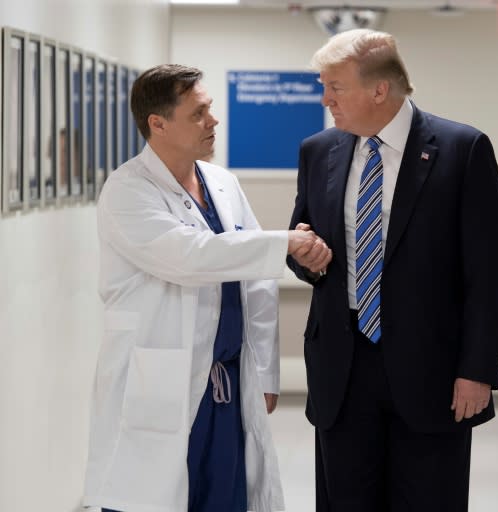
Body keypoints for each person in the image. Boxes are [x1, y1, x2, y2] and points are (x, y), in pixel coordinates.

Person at [82, 64, 330, 512]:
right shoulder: (128, 191)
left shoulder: (222, 183)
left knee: (226, 498)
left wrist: (265, 372)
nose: (213, 121)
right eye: (198, 113)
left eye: (210, 109)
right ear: (157, 123)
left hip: (229, 383)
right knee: (155, 497)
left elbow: (255, 283)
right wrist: (287, 242)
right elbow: (190, 257)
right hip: (159, 382)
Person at [287, 29, 498, 511]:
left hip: (433, 371)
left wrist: (478, 369)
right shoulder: (318, 151)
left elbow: (488, 272)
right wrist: (304, 258)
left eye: (335, 87)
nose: (325, 99)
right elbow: (300, 244)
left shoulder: (462, 149)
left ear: (379, 90)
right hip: (342, 371)